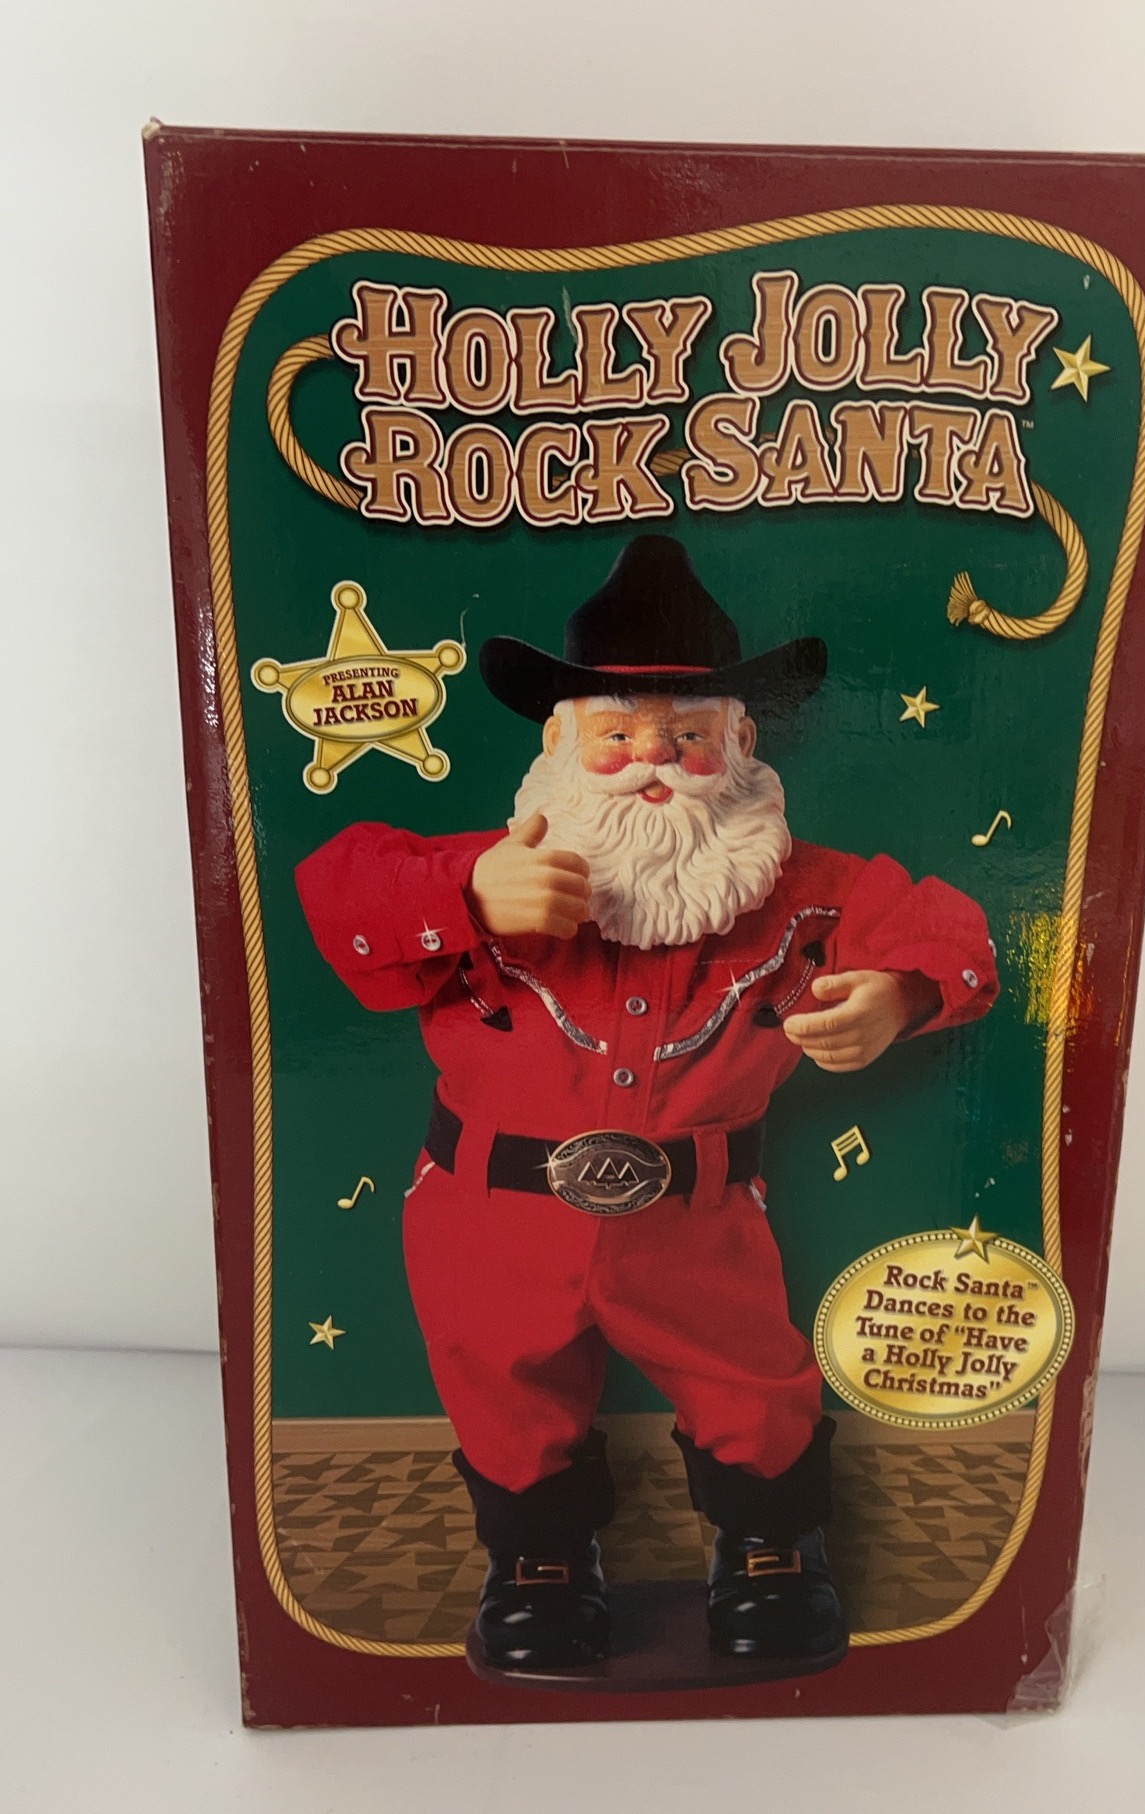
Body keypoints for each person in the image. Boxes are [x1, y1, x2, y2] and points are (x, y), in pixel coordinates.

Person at [296, 535, 998, 1673]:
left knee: (749, 1380)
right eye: (617, 736)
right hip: (487, 1209)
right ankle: (537, 1561)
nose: (653, 762)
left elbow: (941, 922)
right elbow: (336, 885)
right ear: (557, 747)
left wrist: (904, 991)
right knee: (498, 1382)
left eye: (688, 736)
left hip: (696, 1215)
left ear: (741, 746)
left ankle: (770, 1546)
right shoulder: (489, 869)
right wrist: (464, 890)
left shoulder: (801, 891)